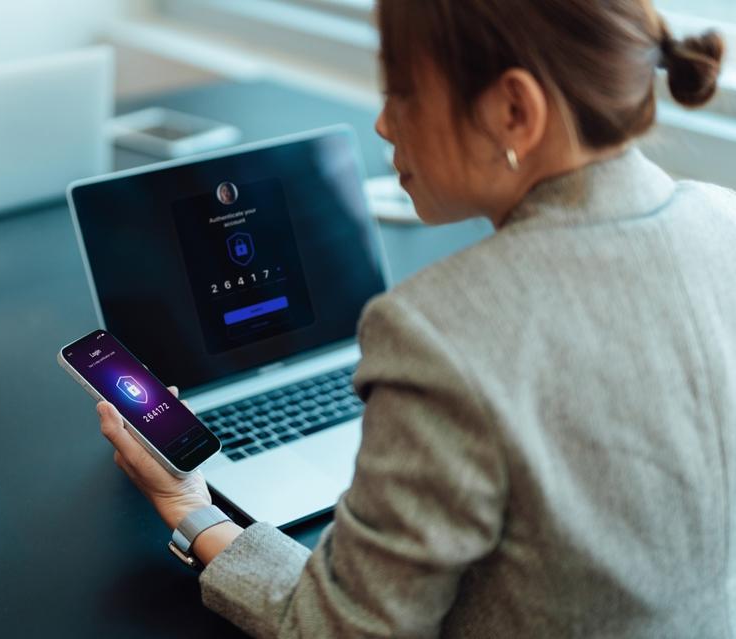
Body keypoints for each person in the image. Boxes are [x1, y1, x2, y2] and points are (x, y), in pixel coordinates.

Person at [97, 1, 735, 637]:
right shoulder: (723, 219)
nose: (381, 124)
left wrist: (192, 512)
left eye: (401, 93)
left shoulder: (439, 332)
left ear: (514, 110)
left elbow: (339, 627)